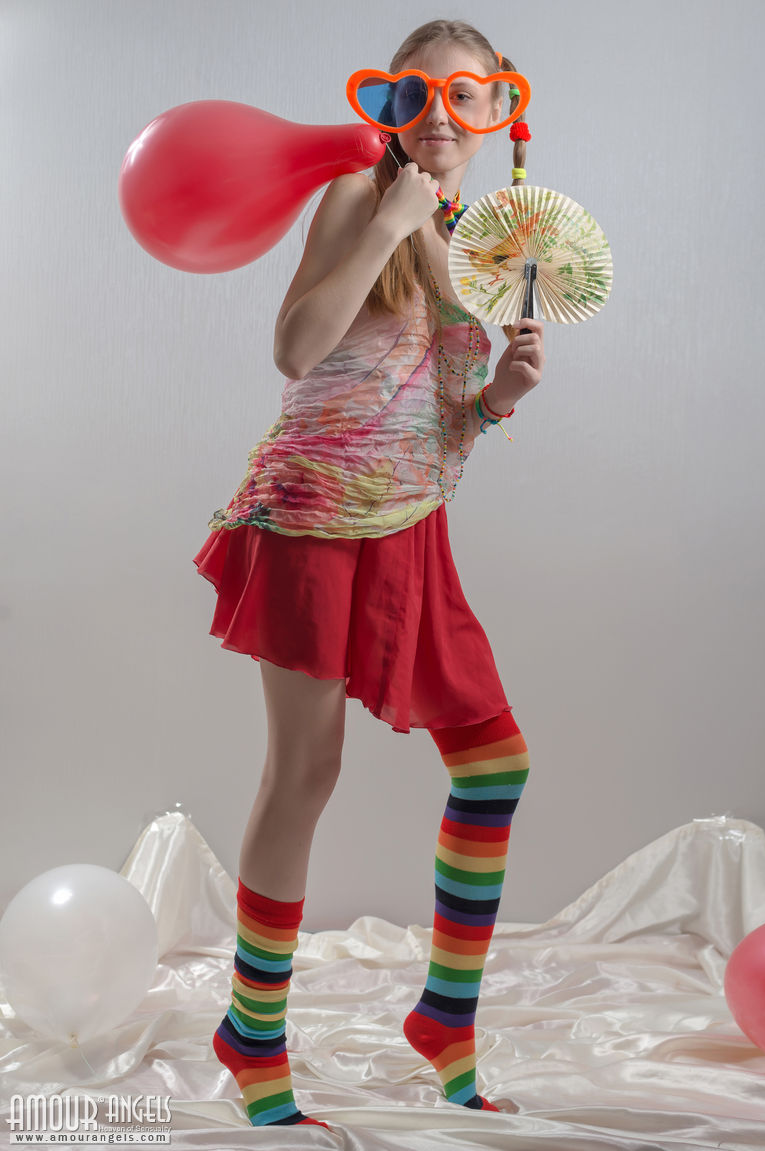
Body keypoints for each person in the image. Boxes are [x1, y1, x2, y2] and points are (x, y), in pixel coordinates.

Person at [194, 18, 545, 1131]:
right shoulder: (363, 199)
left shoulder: (478, 236)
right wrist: (387, 211)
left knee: (493, 764)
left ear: (498, 114)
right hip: (309, 518)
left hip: (408, 524)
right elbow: (299, 350)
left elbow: (430, 418)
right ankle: (251, 1030)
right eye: (417, 93)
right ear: (389, 106)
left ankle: (445, 1014)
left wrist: (499, 401)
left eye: (466, 95)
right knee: (306, 770)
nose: (440, 114)